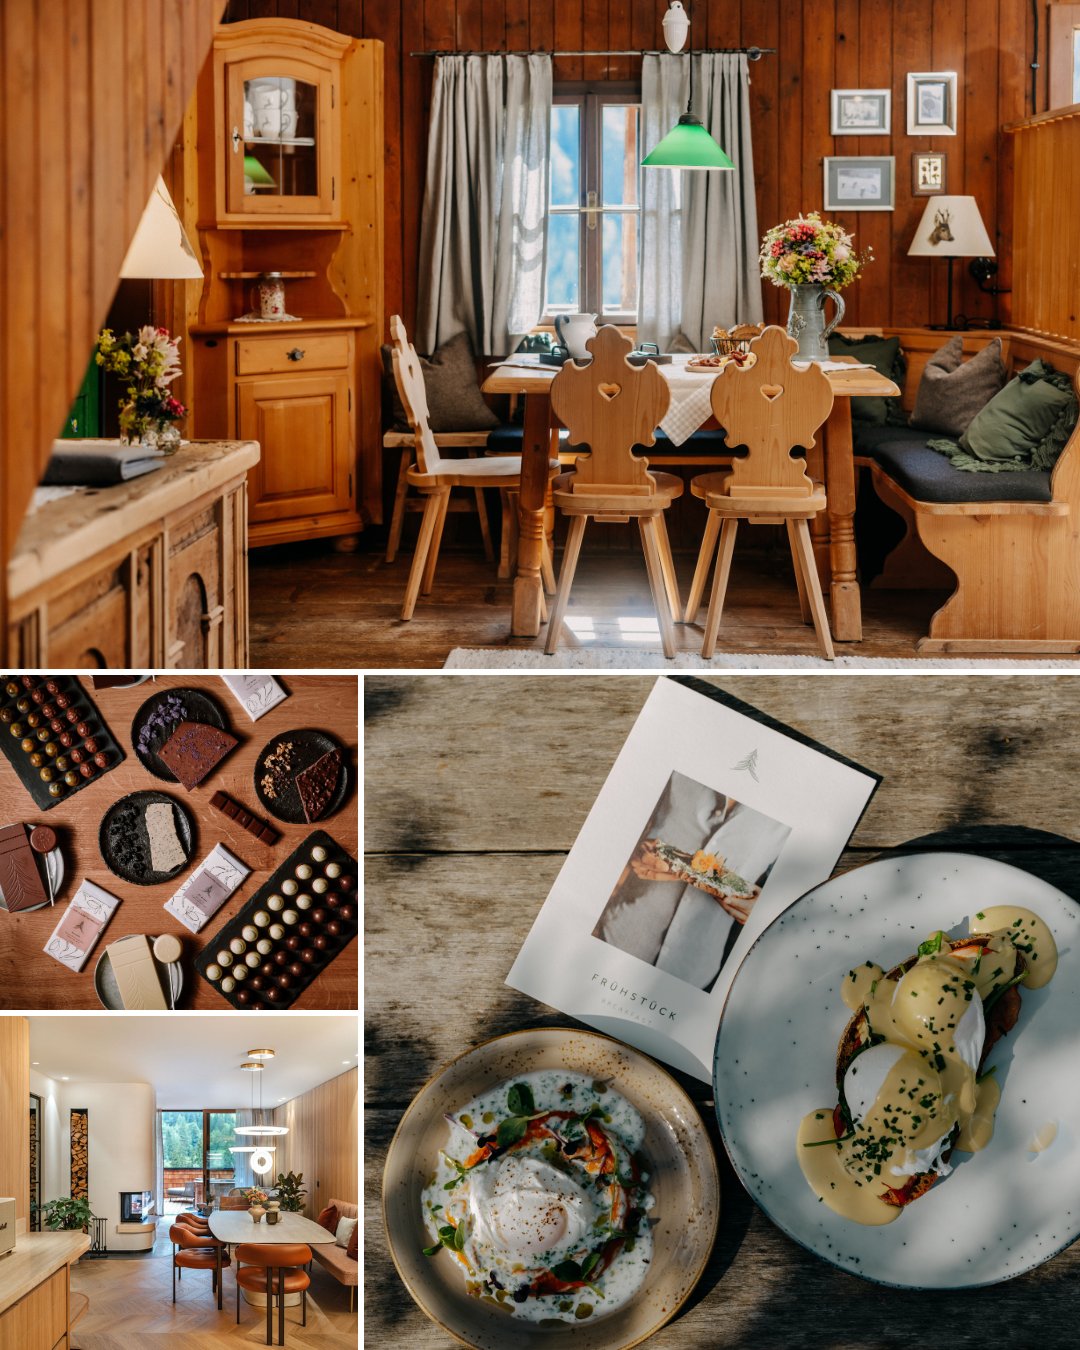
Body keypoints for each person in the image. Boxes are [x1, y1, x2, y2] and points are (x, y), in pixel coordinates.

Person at [593, 772, 789, 991]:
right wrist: (634, 851)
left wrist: (763, 912)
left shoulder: (793, 817)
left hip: (694, 975)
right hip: (616, 938)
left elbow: (792, 902)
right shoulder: (678, 769)